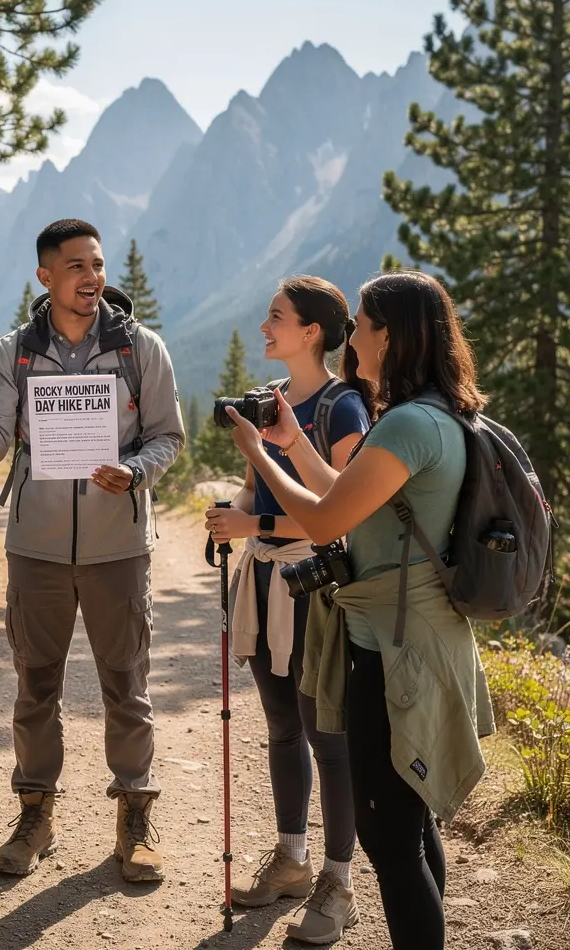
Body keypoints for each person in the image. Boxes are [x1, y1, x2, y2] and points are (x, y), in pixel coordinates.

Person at [227, 271, 495, 950]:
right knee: (410, 823)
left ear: (390, 335)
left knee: (389, 836)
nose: (356, 340)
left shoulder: (406, 423)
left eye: (365, 327)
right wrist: (291, 444)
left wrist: (258, 454)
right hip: (409, 631)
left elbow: (323, 521)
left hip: (401, 645)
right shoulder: (433, 413)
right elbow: (350, 494)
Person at [0, 219, 185, 883]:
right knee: (35, 685)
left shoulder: (140, 349)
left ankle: (135, 816)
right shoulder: (14, 353)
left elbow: (168, 437)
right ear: (46, 276)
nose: (92, 276)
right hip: (36, 548)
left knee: (126, 685)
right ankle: (35, 814)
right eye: (76, 266)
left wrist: (135, 471)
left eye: (96, 264)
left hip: (119, 547)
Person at [204, 276, 370, 944]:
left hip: (318, 589)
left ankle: (339, 882)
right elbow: (253, 490)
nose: (265, 327)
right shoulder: (272, 403)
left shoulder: (344, 407)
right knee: (280, 725)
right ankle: (293, 861)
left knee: (327, 735)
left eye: (276, 317)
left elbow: (347, 509)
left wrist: (255, 528)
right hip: (268, 582)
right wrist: (232, 515)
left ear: (312, 333)